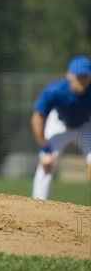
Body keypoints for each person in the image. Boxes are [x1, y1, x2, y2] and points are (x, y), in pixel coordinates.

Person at [31, 55, 91, 199]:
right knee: (46, 164)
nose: (82, 80)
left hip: (85, 127)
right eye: (79, 76)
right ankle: (38, 207)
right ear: (69, 75)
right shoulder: (55, 91)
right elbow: (37, 119)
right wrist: (45, 150)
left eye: (86, 76)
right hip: (59, 125)